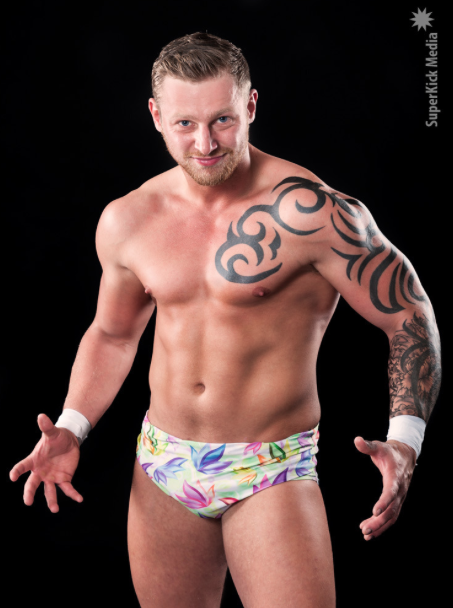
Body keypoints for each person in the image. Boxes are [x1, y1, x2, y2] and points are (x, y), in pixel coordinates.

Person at [9, 32, 441, 608]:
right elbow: (113, 335)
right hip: (163, 462)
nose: (205, 143)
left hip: (270, 467)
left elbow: (410, 315)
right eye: (185, 124)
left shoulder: (314, 213)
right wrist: (71, 426)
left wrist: (406, 440)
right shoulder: (129, 219)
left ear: (251, 106)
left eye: (222, 120)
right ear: (156, 116)